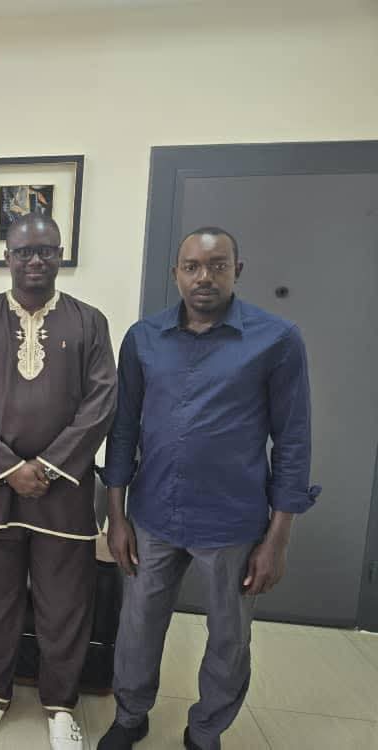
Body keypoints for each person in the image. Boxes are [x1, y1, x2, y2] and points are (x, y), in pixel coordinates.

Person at [99, 227, 319, 750]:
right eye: (192, 266)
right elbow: (123, 430)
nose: (204, 277)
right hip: (153, 514)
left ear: (236, 271)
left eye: (217, 265)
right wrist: (116, 515)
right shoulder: (143, 338)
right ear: (175, 273)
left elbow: (292, 442)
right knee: (137, 626)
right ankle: (130, 716)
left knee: (228, 637)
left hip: (233, 521)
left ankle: (205, 731)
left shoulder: (277, 340)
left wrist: (277, 541)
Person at [0, 214, 117, 749]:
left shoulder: (89, 322)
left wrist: (46, 467)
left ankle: (61, 705)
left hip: (63, 492)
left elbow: (101, 403)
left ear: (61, 256)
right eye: (24, 252)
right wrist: (10, 469)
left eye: (46, 250)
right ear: (7, 257)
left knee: (65, 603)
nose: (35, 261)